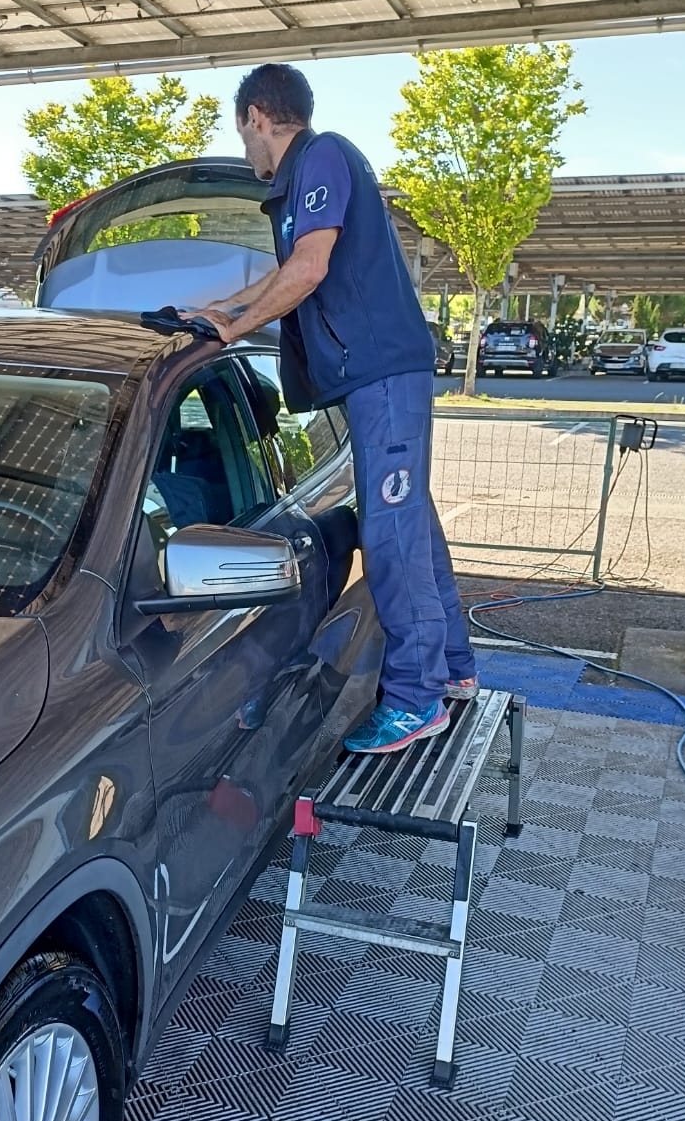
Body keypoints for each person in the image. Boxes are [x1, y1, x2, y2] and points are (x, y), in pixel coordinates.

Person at [187, 63, 478, 755]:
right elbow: (291, 274)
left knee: (389, 540)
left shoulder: (323, 155)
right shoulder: (297, 188)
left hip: (383, 375)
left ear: (258, 116)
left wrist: (230, 330)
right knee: (412, 530)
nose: (246, 150)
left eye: (242, 133)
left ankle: (414, 700)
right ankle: (454, 670)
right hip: (370, 381)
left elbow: (311, 269)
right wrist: (226, 309)